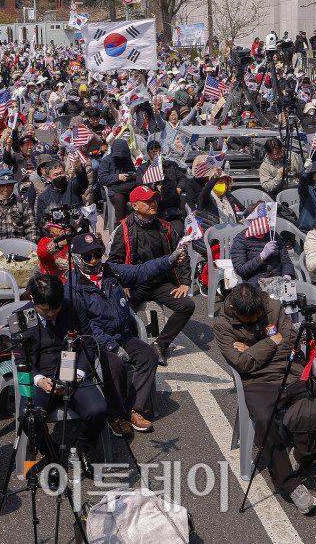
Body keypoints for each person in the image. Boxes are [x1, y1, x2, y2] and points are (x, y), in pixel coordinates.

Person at [212, 282, 316, 515]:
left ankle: (298, 454)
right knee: (263, 420)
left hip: (290, 371)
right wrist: (272, 341)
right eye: (249, 318)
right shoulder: (222, 324)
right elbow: (242, 364)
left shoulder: (272, 305)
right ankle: (290, 484)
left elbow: (292, 340)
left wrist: (252, 350)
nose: (256, 319)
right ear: (234, 309)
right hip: (257, 381)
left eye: (258, 314)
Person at [69, 232, 184, 435]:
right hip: (97, 343)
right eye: (87, 257)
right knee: (115, 365)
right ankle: (115, 415)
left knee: (149, 355)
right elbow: (84, 327)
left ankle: (132, 409)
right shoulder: (73, 287)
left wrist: (168, 261)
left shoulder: (110, 271)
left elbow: (140, 271)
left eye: (97, 254)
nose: (94, 260)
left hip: (123, 335)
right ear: (77, 258)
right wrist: (111, 346)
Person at [20, 274, 109, 468]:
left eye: (56, 309)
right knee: (29, 417)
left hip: (72, 371)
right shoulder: (21, 317)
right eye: (45, 311)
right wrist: (39, 380)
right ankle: (51, 452)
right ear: (33, 299)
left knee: (98, 409)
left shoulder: (73, 308)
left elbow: (88, 344)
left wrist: (79, 374)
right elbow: (20, 358)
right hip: (42, 377)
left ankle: (82, 448)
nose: (51, 315)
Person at [108, 186, 195, 363]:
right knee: (118, 310)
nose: (153, 203)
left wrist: (185, 282)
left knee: (187, 305)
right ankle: (131, 347)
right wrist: (122, 283)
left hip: (160, 284)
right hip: (133, 286)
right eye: (147, 201)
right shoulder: (123, 229)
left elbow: (182, 255)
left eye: (154, 199)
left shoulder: (166, 227)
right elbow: (113, 264)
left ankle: (161, 344)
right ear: (134, 206)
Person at [230, 217, 295, 286]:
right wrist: (262, 256)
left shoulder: (274, 236)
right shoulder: (241, 239)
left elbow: (286, 261)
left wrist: (287, 275)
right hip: (255, 282)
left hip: (278, 279)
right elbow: (241, 270)